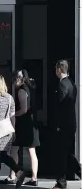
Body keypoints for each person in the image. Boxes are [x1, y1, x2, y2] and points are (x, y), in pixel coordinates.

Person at [5, 69, 40, 186]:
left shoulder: (22, 91)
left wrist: (13, 114)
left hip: (24, 124)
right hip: (32, 123)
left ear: (19, 79)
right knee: (32, 150)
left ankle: (12, 175)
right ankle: (34, 178)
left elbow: (24, 109)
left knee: (14, 149)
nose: (14, 83)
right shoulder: (32, 88)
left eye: (15, 80)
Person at [53, 60, 81, 189]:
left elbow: (61, 106)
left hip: (64, 125)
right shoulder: (72, 84)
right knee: (68, 153)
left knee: (62, 154)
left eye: (56, 69)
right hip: (70, 123)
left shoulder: (62, 85)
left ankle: (61, 182)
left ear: (59, 70)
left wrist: (58, 124)